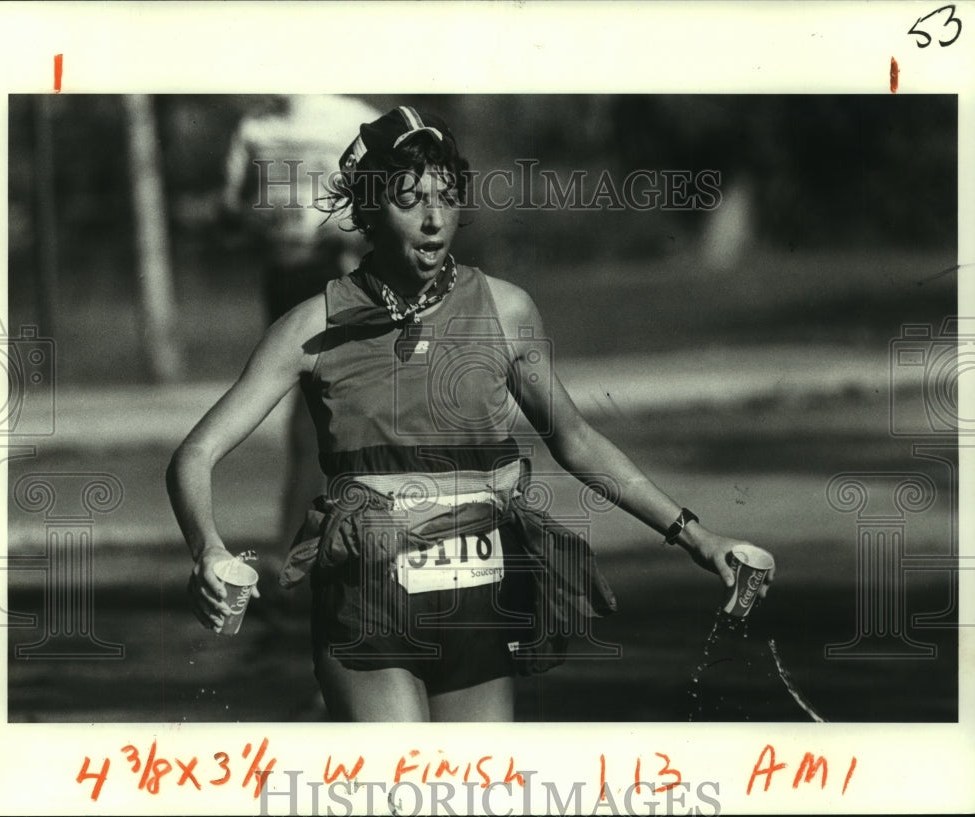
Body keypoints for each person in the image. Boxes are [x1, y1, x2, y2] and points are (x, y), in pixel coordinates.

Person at [168, 105, 775, 722]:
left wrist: (699, 537)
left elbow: (576, 440)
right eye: (410, 200)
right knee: (402, 790)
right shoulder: (311, 326)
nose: (434, 220)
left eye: (446, 197)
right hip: (366, 600)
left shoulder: (506, 311)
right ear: (371, 208)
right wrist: (208, 550)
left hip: (480, 603)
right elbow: (195, 453)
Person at [220, 94, 381, 540]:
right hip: (286, 276)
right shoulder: (255, 128)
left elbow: (400, 196)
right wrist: (268, 221)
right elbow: (230, 209)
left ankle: (313, 540)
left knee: (338, 406)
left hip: (343, 273)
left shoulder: (358, 120)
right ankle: (310, 540)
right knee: (315, 408)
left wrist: (346, 226)